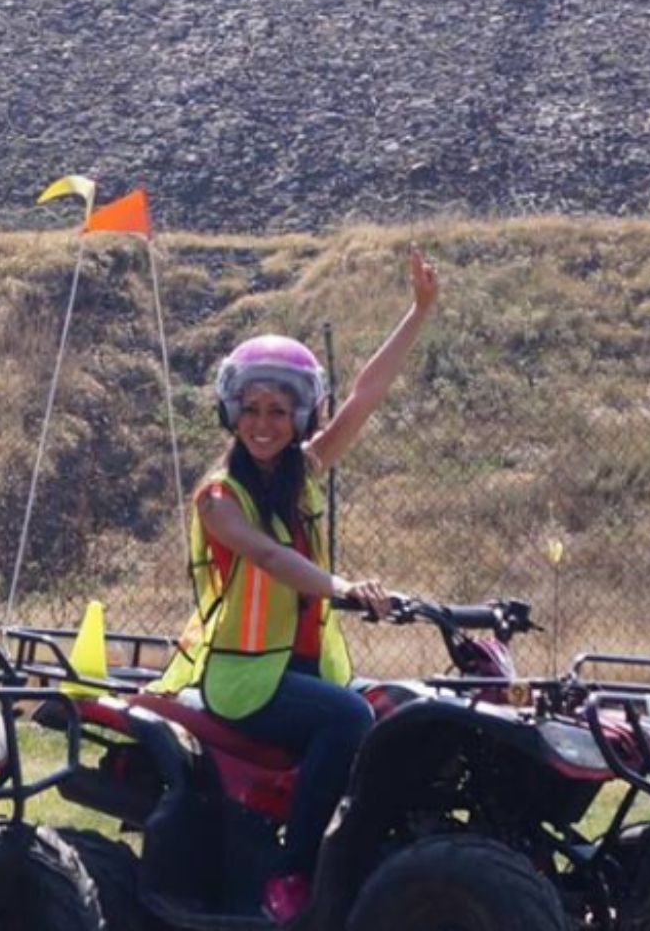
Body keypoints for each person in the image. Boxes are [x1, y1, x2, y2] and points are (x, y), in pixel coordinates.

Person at [152, 249, 439, 923]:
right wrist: (344, 586)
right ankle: (295, 874)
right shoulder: (218, 497)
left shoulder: (305, 473)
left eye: (280, 411)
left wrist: (419, 312)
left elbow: (365, 396)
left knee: (403, 709)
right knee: (349, 718)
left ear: (303, 416)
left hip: (304, 670)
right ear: (230, 412)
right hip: (243, 680)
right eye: (250, 409)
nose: (263, 423)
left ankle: (383, 857)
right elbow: (269, 557)